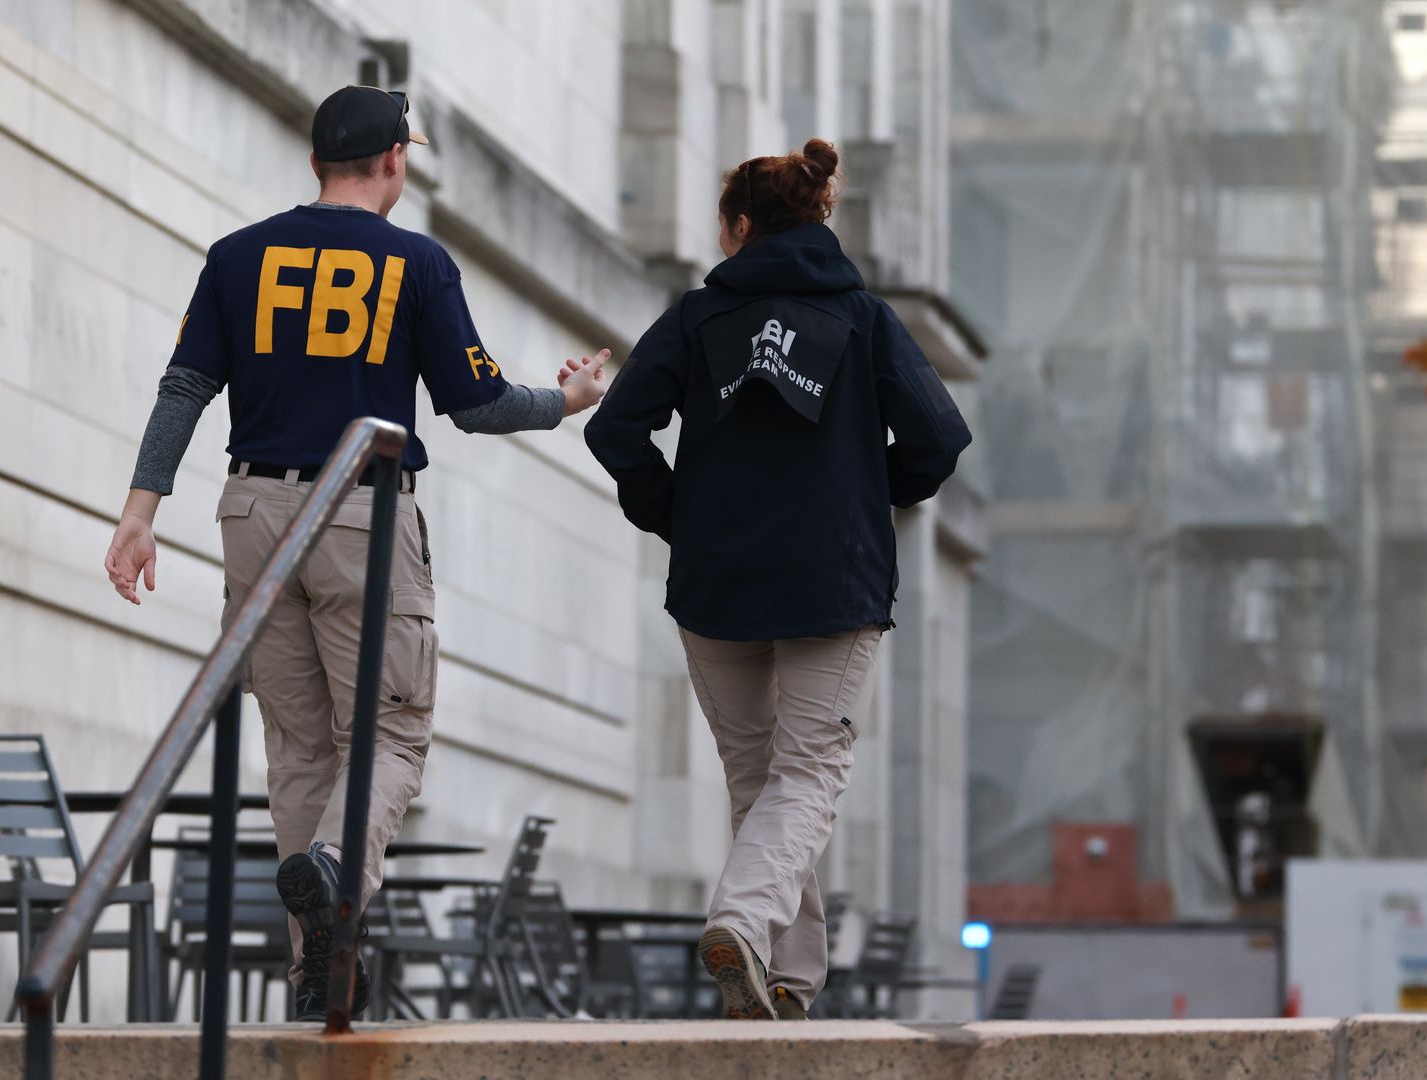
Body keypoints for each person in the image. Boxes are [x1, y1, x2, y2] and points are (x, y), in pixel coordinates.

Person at [104, 85, 610, 1021]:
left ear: (313, 165)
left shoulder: (237, 255)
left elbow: (184, 387)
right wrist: (567, 400)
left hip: (251, 510)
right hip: (360, 514)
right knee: (388, 729)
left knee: (296, 745)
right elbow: (477, 403)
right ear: (393, 163)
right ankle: (337, 872)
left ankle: (315, 970)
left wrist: (139, 513)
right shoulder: (417, 262)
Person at [581, 138, 972, 1020]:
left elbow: (615, 434)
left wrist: (676, 514)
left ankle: (786, 986)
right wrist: (875, 497)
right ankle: (747, 929)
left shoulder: (693, 318)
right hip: (833, 582)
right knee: (808, 778)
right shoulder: (865, 318)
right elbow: (939, 441)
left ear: (741, 227)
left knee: (762, 784)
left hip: (717, 584)